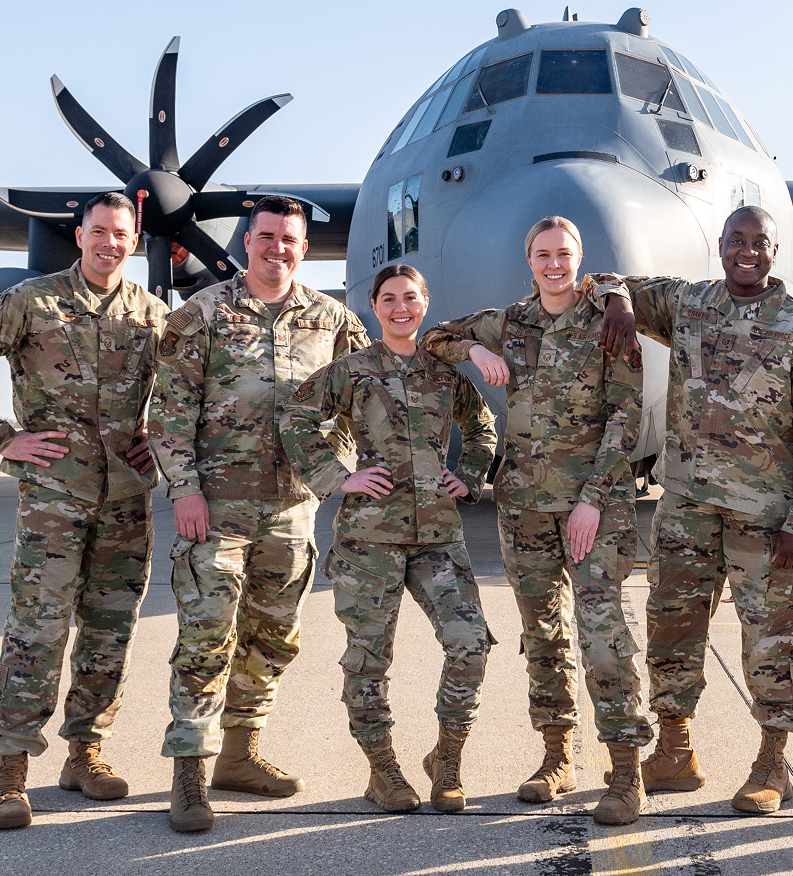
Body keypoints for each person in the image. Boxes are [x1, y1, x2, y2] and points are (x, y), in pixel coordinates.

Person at [585, 206, 793, 815]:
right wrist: (621, 302)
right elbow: (598, 278)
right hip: (685, 509)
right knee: (672, 629)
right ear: (722, 246)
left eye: (760, 242)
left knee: (770, 638)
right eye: (737, 240)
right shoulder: (687, 304)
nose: (748, 250)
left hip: (766, 520)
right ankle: (675, 750)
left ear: (774, 252)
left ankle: (771, 764)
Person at [0, 191, 167, 831]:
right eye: (99, 231)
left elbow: (182, 395)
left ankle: (85, 753)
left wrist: (161, 444)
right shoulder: (30, 301)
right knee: (37, 631)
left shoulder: (153, 315)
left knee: (109, 630)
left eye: (121, 233)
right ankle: (9, 771)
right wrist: (1, 436)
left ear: (135, 236)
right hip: (53, 499)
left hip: (125, 501)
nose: (110, 242)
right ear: (80, 233)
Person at [419, 216, 653, 825]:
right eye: (543, 254)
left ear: (580, 259)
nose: (554, 265)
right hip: (523, 504)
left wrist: (593, 499)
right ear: (529, 261)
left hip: (591, 508)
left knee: (603, 634)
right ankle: (556, 757)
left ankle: (626, 773)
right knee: (542, 637)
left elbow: (626, 417)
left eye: (564, 254)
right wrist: (474, 349)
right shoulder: (511, 322)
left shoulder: (610, 318)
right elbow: (433, 338)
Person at [147, 195, 370, 832]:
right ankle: (189, 772)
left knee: (274, 638)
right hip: (216, 507)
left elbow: (359, 398)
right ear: (248, 241)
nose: (279, 249)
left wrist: (338, 473)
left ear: (305, 248)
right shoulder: (206, 313)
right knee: (205, 636)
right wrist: (184, 489)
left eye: (291, 240)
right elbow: (170, 409)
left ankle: (240, 756)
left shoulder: (331, 319)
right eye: (267, 236)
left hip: (293, 509)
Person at [280, 264, 498, 814]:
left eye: (411, 298)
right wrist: (337, 477)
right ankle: (384, 771)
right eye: (389, 299)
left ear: (425, 303)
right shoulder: (350, 372)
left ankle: (446, 763)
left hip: (438, 539)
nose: (401, 307)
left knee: (470, 643)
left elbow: (482, 429)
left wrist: (468, 477)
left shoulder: (446, 374)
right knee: (368, 659)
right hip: (368, 539)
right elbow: (295, 418)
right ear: (374, 307)